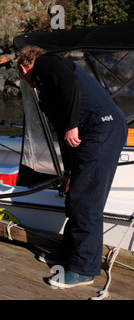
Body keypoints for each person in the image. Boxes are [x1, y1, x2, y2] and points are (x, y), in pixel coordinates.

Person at [17, 46, 127, 288]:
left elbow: (71, 84)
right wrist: (67, 172)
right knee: (74, 195)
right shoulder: (48, 93)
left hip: (102, 128)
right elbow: (63, 133)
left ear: (24, 68)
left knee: (86, 201)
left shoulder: (46, 62)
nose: (22, 79)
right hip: (87, 133)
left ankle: (83, 270)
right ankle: (68, 254)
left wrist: (73, 124)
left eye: (20, 74)